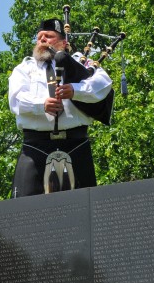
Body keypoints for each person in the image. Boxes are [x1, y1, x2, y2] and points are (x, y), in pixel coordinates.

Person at [8, 18, 113, 198]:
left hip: (76, 143)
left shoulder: (80, 61)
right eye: (39, 37)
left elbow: (103, 84)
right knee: (22, 209)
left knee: (85, 208)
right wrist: (41, 105)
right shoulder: (24, 68)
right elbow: (15, 99)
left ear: (63, 43)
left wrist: (75, 90)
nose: (42, 40)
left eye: (48, 36)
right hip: (35, 146)